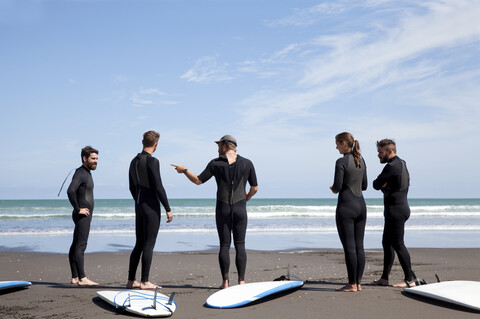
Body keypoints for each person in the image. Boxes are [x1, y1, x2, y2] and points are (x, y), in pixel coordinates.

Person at [171, 135, 258, 289]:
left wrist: (184, 170)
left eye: (219, 145)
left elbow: (198, 180)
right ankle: (242, 282)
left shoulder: (215, 163)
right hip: (240, 209)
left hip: (222, 208)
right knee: (240, 244)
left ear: (226, 146)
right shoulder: (247, 163)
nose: (217, 148)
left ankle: (225, 283)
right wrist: (247, 199)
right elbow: (254, 188)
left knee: (224, 245)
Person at [127, 131, 173, 290]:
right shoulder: (153, 161)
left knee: (139, 243)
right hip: (151, 207)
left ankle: (131, 280)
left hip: (139, 206)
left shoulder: (133, 161)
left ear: (142, 141)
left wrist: (139, 202)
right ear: (156, 144)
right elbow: (158, 187)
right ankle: (145, 281)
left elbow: (131, 187)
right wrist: (167, 208)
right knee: (149, 244)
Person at [373, 139, 415, 288]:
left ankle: (410, 279)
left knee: (398, 244)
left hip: (396, 211)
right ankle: (384, 278)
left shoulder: (391, 166)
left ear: (390, 151)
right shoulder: (402, 163)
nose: (378, 155)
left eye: (381, 152)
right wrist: (386, 187)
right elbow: (398, 186)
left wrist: (383, 186)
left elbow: (375, 184)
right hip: (400, 207)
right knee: (387, 243)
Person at [330, 132, 367, 292]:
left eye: (337, 143)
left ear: (344, 143)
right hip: (361, 206)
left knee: (349, 248)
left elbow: (337, 187)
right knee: (359, 246)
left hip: (346, 207)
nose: (336, 146)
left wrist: (334, 189)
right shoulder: (361, 160)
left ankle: (352, 284)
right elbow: (364, 185)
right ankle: (358, 283)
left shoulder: (341, 161)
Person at [67, 146, 99, 286]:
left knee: (75, 245)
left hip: (83, 215)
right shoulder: (81, 173)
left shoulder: (86, 173)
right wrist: (78, 208)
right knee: (81, 245)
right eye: (93, 158)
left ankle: (75, 277)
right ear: (84, 158)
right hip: (82, 215)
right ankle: (82, 278)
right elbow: (70, 191)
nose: (96, 161)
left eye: (97, 159)